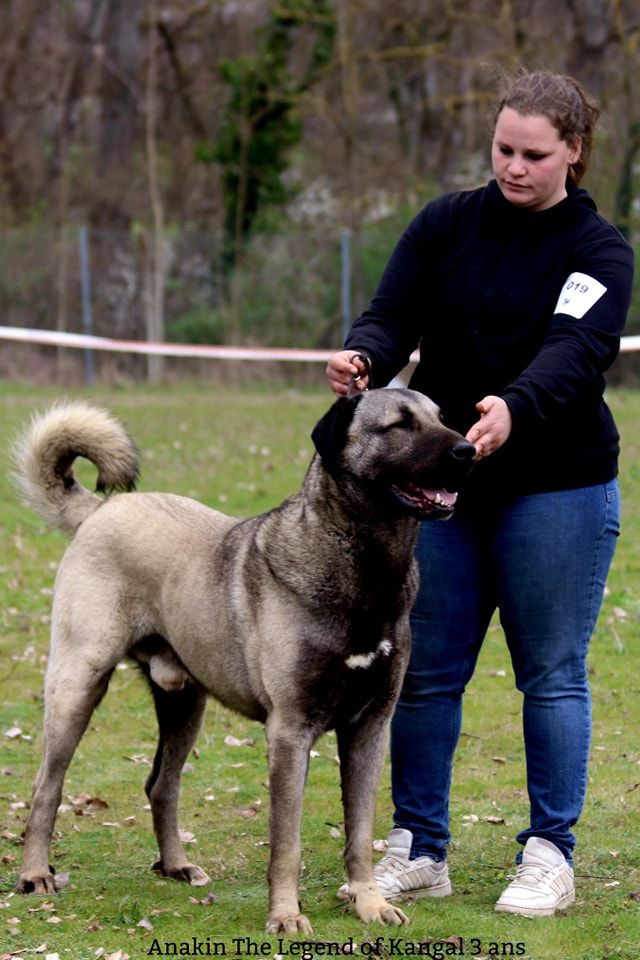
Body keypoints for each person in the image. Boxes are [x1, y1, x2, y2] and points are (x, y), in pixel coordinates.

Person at [326, 69, 634, 917]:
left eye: (535, 154)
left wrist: (513, 408)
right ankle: (420, 847)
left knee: (552, 675)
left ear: (573, 151)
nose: (515, 167)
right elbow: (395, 314)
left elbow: (578, 350)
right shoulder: (446, 224)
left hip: (557, 488)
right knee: (425, 675)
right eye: (504, 148)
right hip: (438, 491)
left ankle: (550, 852)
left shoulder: (597, 249)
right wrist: (364, 357)